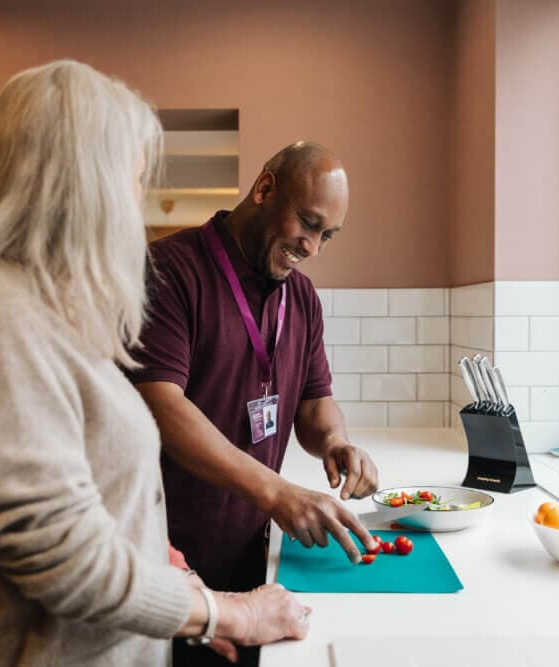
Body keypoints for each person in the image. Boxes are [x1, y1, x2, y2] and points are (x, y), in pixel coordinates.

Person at [0, 60, 310, 667]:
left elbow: (85, 482)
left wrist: (162, 566)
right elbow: (59, 554)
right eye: (132, 179)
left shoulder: (38, 309)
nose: (135, 203)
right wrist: (230, 613)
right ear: (80, 183)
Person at [128, 142, 380, 665]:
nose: (311, 247)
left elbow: (315, 405)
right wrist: (277, 493)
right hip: (166, 564)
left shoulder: (303, 297)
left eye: (326, 235)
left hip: (255, 554)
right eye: (307, 224)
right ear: (265, 189)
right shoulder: (169, 271)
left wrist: (336, 443)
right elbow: (160, 407)